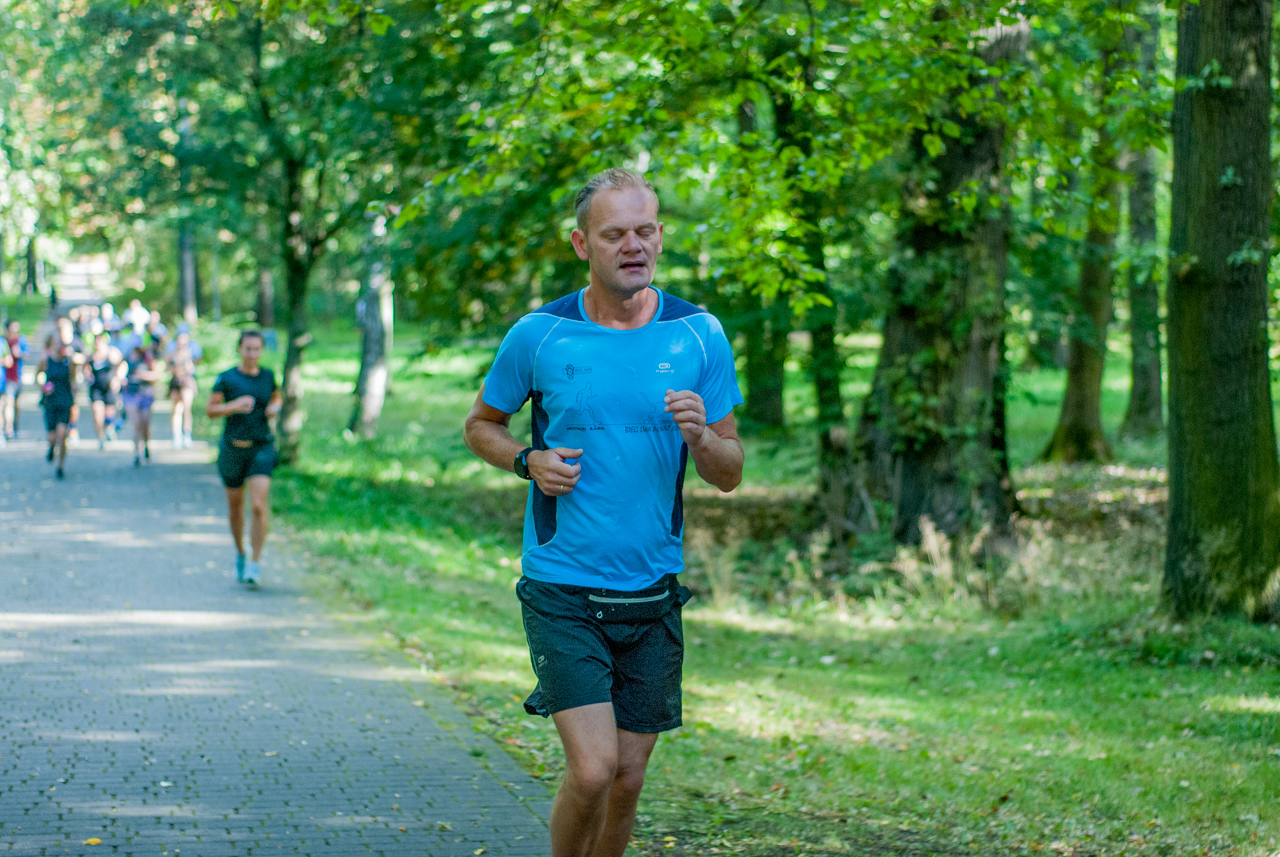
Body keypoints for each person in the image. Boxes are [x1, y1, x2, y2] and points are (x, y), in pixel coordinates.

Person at [462, 168, 744, 857]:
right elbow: (481, 425)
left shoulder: (699, 334)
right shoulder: (540, 334)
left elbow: (730, 472)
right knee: (593, 769)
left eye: (645, 230)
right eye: (614, 233)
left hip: (652, 590)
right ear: (581, 243)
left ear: (659, 236)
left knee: (629, 777)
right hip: (564, 586)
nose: (633, 245)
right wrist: (528, 461)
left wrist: (703, 436)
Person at [206, 330, 281, 587]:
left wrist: (275, 408)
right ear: (240, 349)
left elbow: (275, 396)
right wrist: (233, 406)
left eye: (257, 349)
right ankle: (240, 552)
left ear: (261, 351)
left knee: (258, 505)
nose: (252, 354)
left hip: (261, 447)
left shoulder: (268, 376)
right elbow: (210, 410)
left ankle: (255, 563)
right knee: (236, 507)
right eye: (248, 349)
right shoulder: (227, 378)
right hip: (232, 450)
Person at [36, 336, 76, 479]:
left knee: (62, 434)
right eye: (56, 343)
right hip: (50, 401)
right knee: (52, 437)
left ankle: (60, 466)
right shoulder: (46, 360)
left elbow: (73, 379)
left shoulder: (69, 360)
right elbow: (37, 376)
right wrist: (43, 387)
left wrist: (74, 393)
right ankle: (52, 448)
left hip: (65, 400)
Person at [122, 341, 160, 467]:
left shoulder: (148, 357)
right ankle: (137, 454)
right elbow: (120, 370)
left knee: (145, 423)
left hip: (145, 394)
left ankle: (146, 444)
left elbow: (156, 375)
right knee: (136, 423)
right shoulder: (127, 356)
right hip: (131, 394)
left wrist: (142, 376)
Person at [85, 334, 125, 450]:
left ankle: (109, 428)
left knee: (109, 414)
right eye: (95, 341)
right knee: (97, 413)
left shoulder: (112, 353)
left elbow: (123, 365)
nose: (97, 344)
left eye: (99, 341)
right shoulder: (91, 356)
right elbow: (85, 368)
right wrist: (86, 374)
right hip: (96, 388)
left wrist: (117, 378)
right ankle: (101, 438)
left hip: (109, 388)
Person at [165, 325, 202, 448]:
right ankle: (176, 435)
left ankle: (187, 434)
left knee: (187, 408)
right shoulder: (171, 350)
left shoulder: (193, 349)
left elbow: (197, 362)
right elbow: (167, 367)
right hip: (175, 382)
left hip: (188, 381)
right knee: (176, 409)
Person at [3, 320, 29, 440]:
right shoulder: (3, 342)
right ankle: (9, 428)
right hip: (5, 378)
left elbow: (27, 355)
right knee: (9, 402)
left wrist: (20, 353)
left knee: (16, 405)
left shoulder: (21, 340)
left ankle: (14, 425)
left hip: (17, 376)